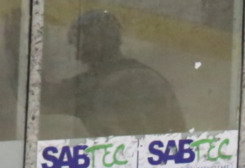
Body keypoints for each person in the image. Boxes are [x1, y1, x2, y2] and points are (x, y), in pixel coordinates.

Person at [42, 9, 186, 137]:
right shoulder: (152, 78)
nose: (77, 57)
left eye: (81, 46)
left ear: (97, 41)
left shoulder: (92, 85)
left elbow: (42, 98)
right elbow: (179, 130)